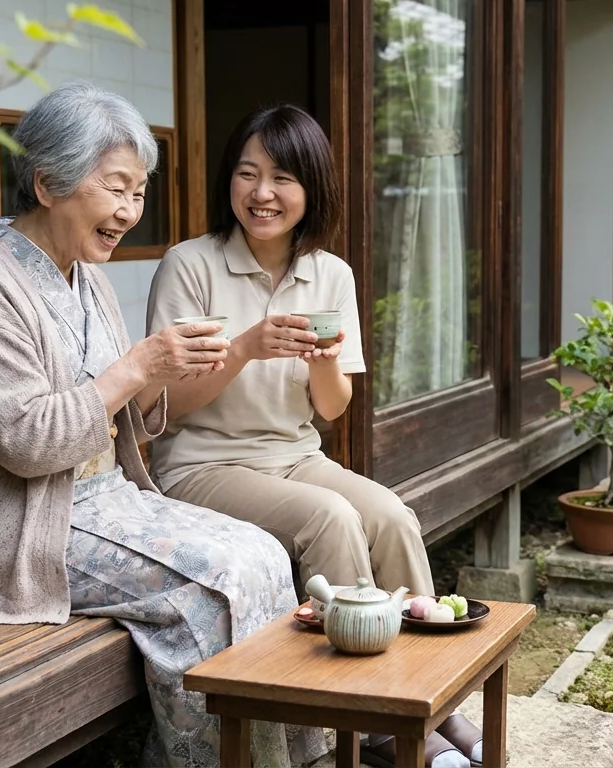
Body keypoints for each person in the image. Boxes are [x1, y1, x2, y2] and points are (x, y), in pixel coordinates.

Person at [0, 83, 324, 768]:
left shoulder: (86, 277)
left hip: (96, 504)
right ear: (47, 183)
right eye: (116, 190)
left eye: (138, 193)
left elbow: (122, 412)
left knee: (262, 554)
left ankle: (290, 760)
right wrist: (137, 367)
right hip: (20, 529)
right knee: (213, 582)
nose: (131, 212)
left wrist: (165, 369)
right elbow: (26, 443)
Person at [146, 104, 485, 767]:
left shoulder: (330, 274)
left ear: (311, 190)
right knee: (331, 518)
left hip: (295, 455)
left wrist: (322, 355)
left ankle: (437, 702)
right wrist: (244, 347)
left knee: (391, 517)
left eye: (282, 178)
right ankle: (374, 720)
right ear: (229, 182)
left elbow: (332, 410)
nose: (262, 193)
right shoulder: (190, 265)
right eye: (248, 174)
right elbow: (169, 407)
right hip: (203, 462)